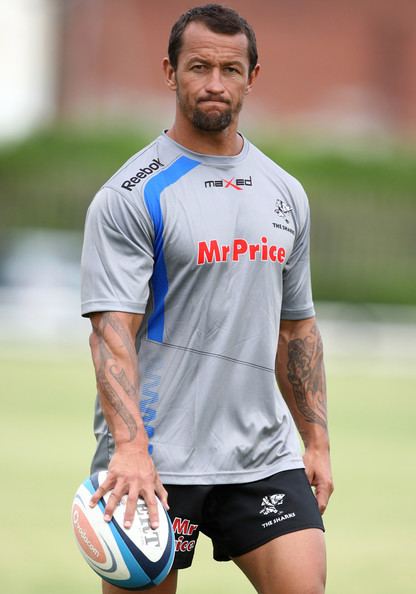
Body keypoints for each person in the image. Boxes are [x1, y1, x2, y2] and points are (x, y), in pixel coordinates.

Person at [80, 4, 334, 593]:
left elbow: (295, 329)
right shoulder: (129, 195)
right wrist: (130, 450)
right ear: (170, 72)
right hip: (156, 461)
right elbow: (111, 331)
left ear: (253, 76)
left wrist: (316, 442)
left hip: (263, 457)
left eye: (230, 69)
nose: (215, 84)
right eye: (199, 67)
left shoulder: (284, 192)